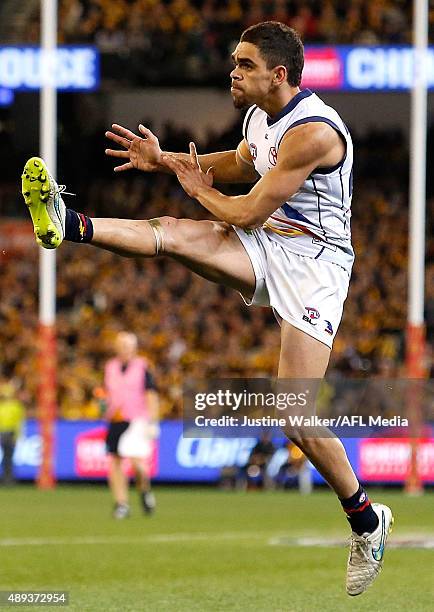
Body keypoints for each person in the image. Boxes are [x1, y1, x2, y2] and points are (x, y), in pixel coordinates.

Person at [21, 21, 392, 595]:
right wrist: (164, 159)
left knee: (293, 414)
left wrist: (195, 187)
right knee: (170, 232)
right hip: (272, 240)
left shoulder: (313, 134)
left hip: (317, 265)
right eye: (233, 63)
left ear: (279, 75)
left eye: (244, 65)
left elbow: (241, 210)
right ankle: (68, 224)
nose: (232, 73)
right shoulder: (259, 118)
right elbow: (239, 164)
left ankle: (367, 521)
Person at [103, 331, 159, 519]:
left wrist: (152, 421)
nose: (123, 349)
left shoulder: (143, 366)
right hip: (116, 418)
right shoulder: (110, 366)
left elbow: (151, 394)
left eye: (127, 346)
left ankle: (144, 490)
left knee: (137, 464)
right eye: (120, 345)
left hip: (137, 419)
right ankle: (121, 503)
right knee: (115, 461)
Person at [0, 382, 25, 485]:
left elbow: (19, 423)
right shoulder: (16, 406)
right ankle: (8, 479)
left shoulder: (12, 406)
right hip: (8, 433)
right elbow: (19, 423)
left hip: (6, 433)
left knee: (7, 457)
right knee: (8, 457)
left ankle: (7, 478)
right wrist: (18, 435)